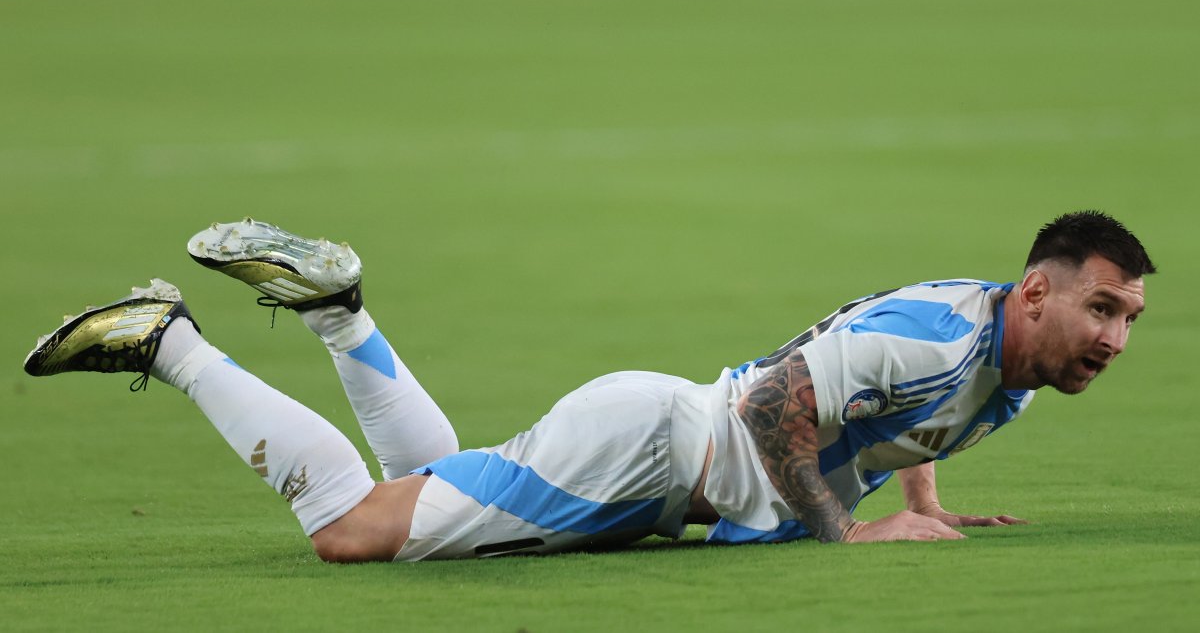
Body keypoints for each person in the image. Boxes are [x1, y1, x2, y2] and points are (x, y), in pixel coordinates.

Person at [23, 211, 1155, 561]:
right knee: (351, 531)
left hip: (655, 465)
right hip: (653, 450)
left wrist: (929, 505)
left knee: (430, 479)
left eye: (1129, 319)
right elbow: (775, 406)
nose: (1114, 336)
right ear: (1036, 292)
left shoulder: (1007, 366)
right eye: (1102, 308)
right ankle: (170, 343)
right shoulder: (936, 338)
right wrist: (848, 533)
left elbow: (905, 426)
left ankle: (338, 313)